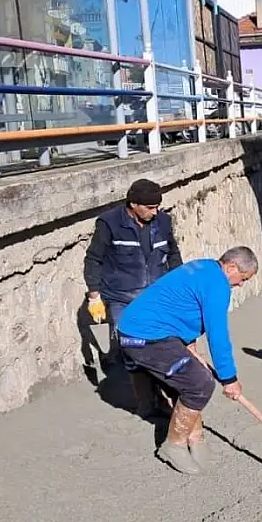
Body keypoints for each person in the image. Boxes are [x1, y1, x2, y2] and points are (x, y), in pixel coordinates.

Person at [115, 246, 258, 474]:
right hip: (144, 336)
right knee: (199, 384)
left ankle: (196, 438)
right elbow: (217, 333)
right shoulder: (218, 284)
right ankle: (174, 445)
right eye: (243, 278)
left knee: (191, 376)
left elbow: (181, 305)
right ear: (231, 267)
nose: (241, 285)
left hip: (152, 330)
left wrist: (189, 343)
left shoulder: (204, 267)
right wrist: (229, 378)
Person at [83, 179, 183, 417]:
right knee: (133, 349)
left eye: (157, 206)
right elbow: (93, 259)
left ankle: (165, 397)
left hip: (157, 297)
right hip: (122, 298)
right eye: (149, 207)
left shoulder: (163, 221)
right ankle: (145, 400)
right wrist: (94, 296)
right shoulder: (109, 223)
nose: (155, 211)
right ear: (133, 204)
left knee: (161, 348)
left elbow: (173, 253)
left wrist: (179, 286)